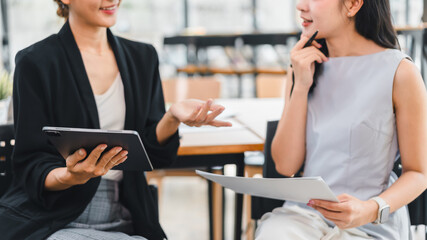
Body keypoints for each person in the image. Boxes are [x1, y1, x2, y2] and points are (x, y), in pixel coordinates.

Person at [0, 0, 231, 239]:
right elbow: (30, 165)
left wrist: (171, 117)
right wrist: (70, 176)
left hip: (128, 211)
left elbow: (152, 154)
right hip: (54, 216)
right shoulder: (35, 62)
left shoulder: (142, 58)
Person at [255, 0, 427, 239]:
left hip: (370, 225)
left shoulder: (400, 72)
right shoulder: (302, 66)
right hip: (305, 219)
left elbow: (419, 173)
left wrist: (370, 209)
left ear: (353, 4)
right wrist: (301, 85)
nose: (300, 6)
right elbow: (285, 166)